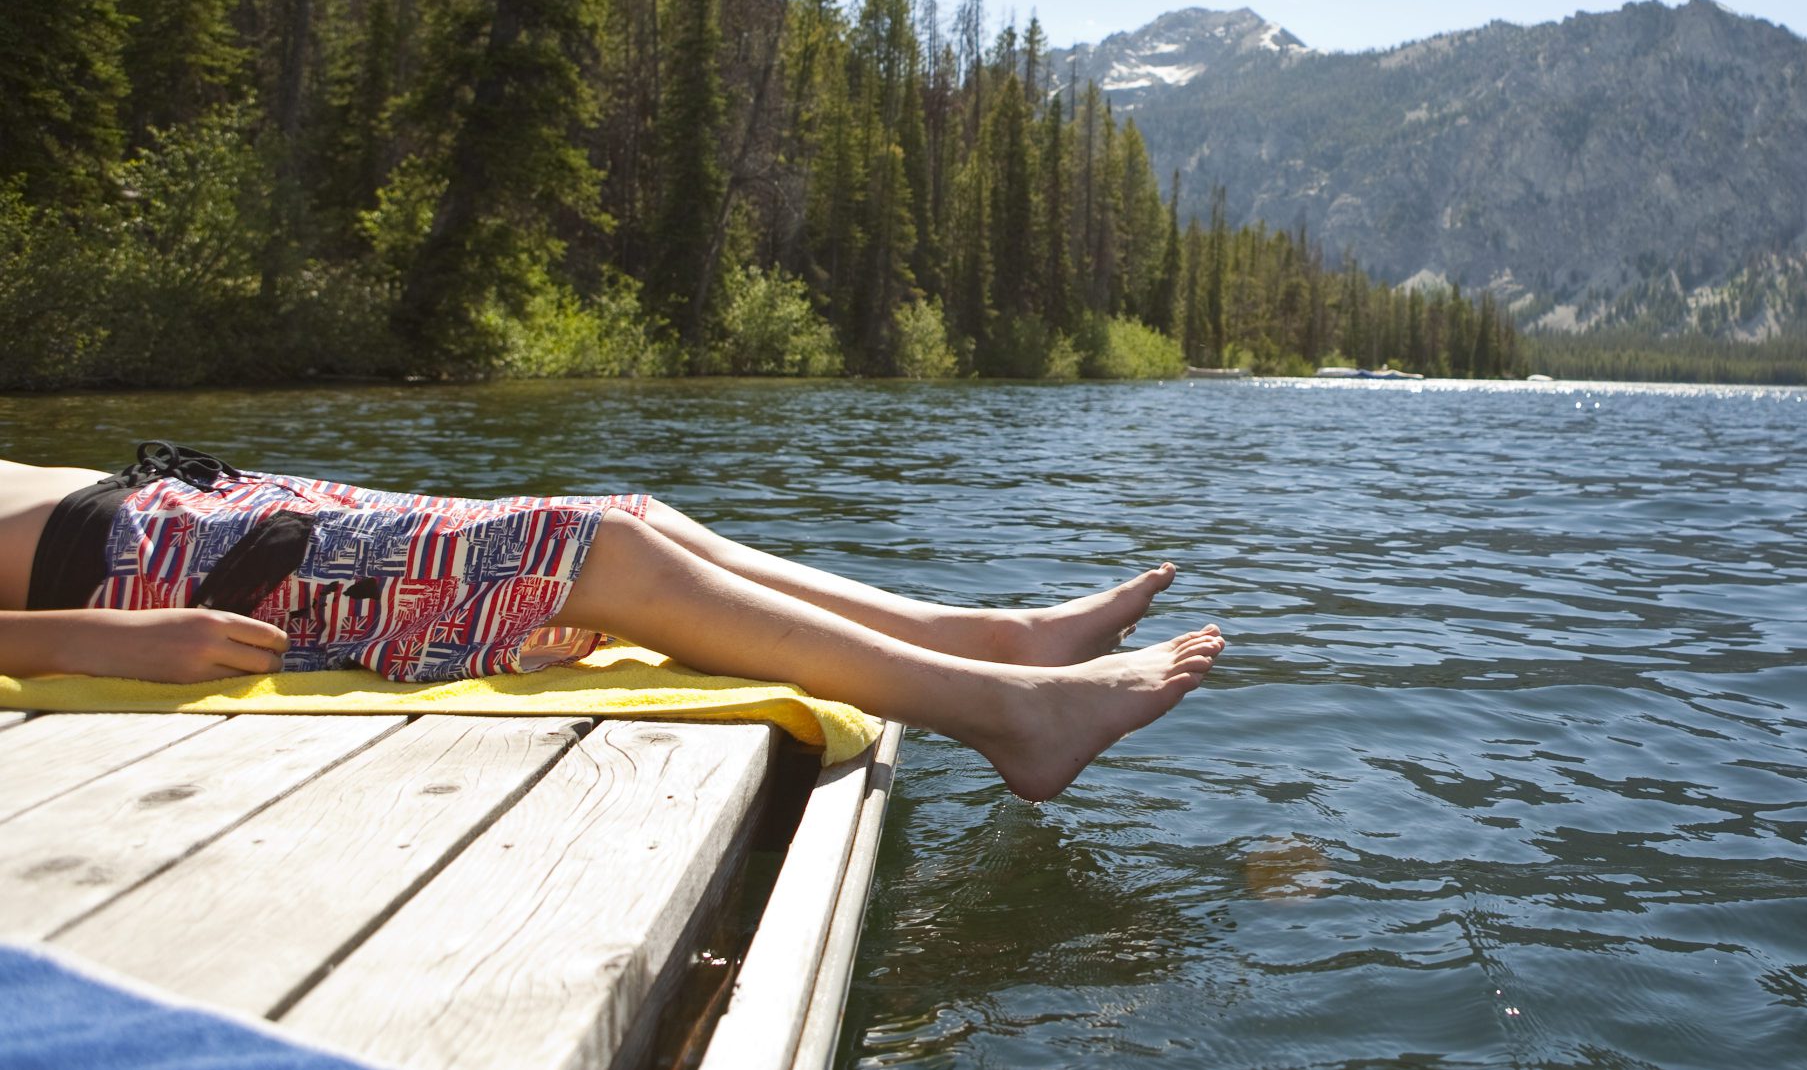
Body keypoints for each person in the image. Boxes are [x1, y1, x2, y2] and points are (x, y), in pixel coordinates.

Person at [0, 444, 1223, 801]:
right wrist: (73, 639)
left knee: (628, 512)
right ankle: (1010, 713)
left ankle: (989, 636)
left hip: (190, 518)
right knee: (595, 552)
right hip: (140, 572)